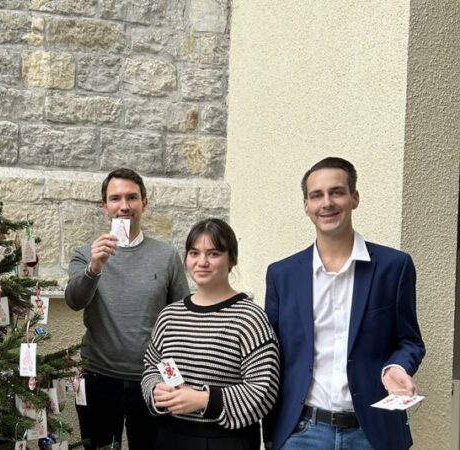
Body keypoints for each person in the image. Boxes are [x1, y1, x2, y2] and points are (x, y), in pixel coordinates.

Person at [264, 157, 425, 450]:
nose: (327, 202)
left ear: (354, 198)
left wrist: (396, 367)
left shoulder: (395, 267)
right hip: (300, 433)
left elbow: (410, 341)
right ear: (306, 206)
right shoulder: (281, 275)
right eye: (317, 195)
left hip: (372, 432)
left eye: (336, 192)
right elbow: (269, 354)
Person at [65, 168, 190, 449]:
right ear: (105, 206)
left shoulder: (166, 255)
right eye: (116, 199)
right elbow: (74, 301)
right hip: (97, 377)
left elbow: (182, 317)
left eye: (132, 197)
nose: (124, 206)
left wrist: (175, 376)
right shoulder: (86, 253)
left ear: (144, 202)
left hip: (151, 380)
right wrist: (94, 268)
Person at [142, 218, 280, 450]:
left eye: (213, 253)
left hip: (226, 440)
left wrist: (203, 400)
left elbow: (263, 389)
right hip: (170, 436)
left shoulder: (250, 317)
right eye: (194, 253)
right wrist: (155, 390)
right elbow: (151, 367)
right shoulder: (170, 315)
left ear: (231, 259)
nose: (202, 262)